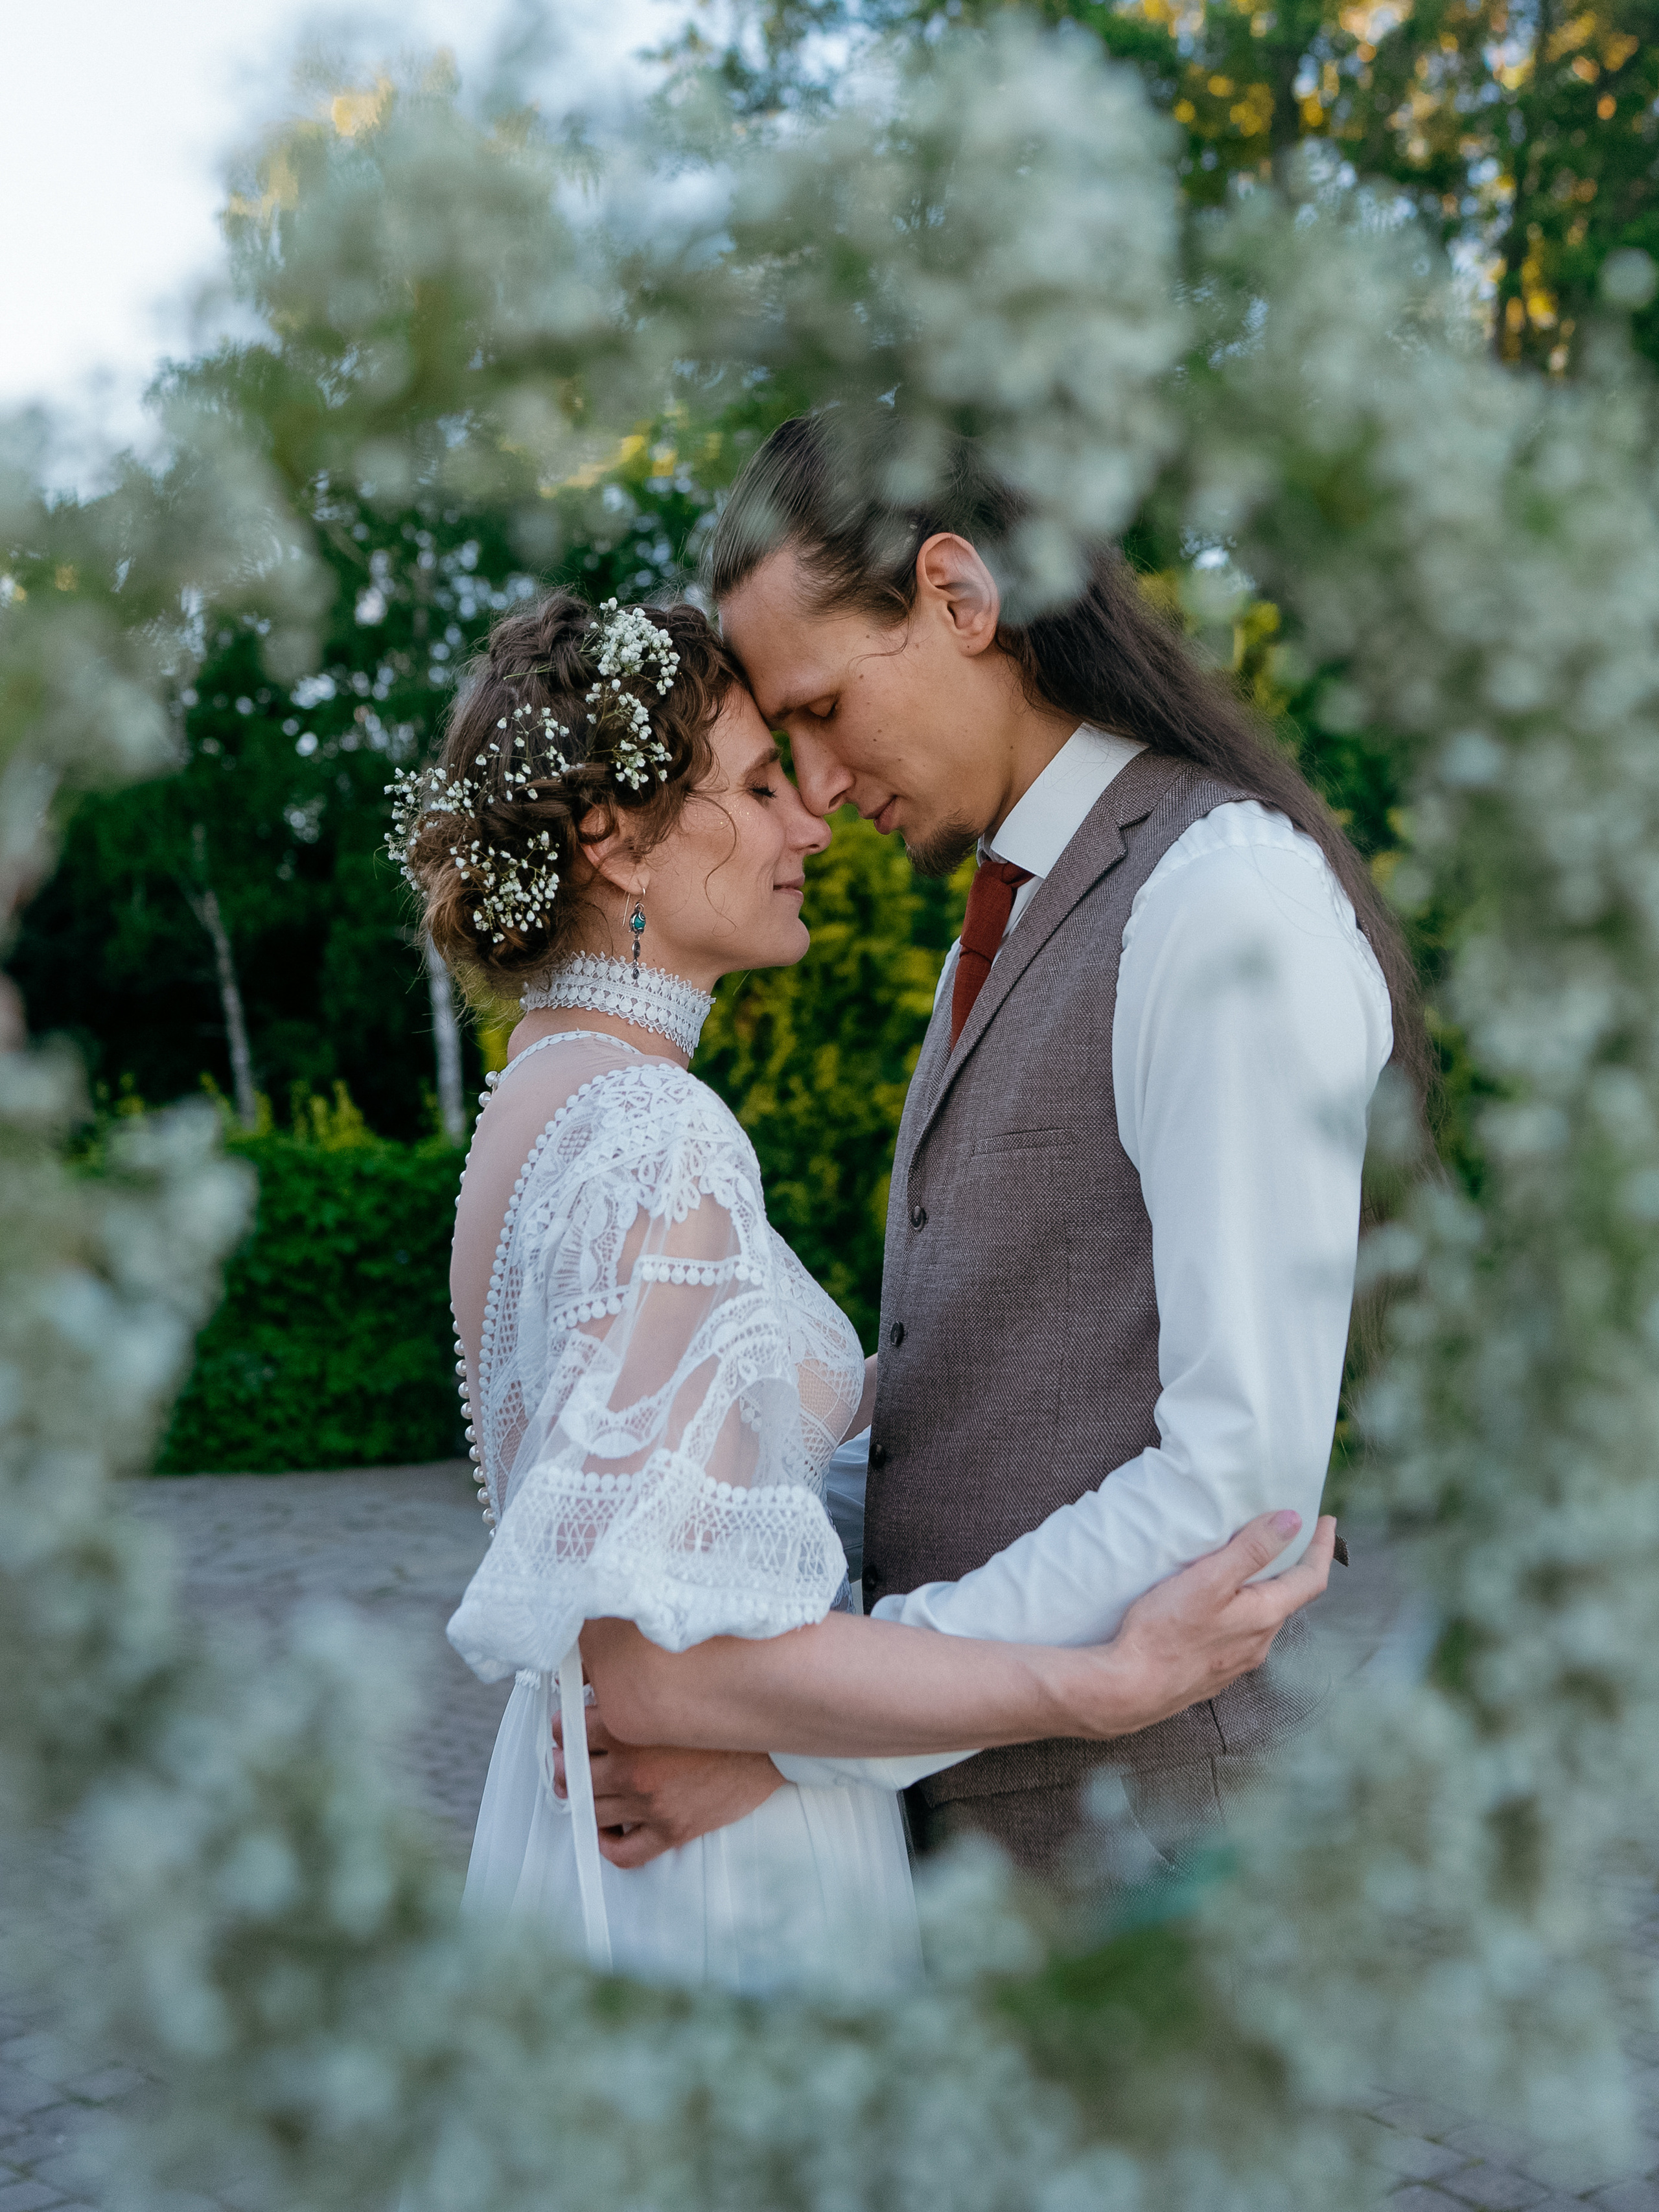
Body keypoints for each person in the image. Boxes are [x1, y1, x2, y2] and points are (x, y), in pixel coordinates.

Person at [393, 587, 1335, 1992]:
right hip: (723, 1886)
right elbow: (660, 1672)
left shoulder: (537, 1111)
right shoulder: (657, 1137)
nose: (809, 823)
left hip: (600, 1846)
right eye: (761, 782)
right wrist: (1094, 1684)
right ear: (613, 841)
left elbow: (714, 1477)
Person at [570, 410, 1421, 1880]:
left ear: (958, 599)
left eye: (824, 709)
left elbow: (1233, 1493)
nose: (821, 790)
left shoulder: (1220, 905)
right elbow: (956, 1403)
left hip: (1135, 1856)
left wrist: (792, 1725)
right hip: (980, 1860)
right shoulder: (1017, 912)